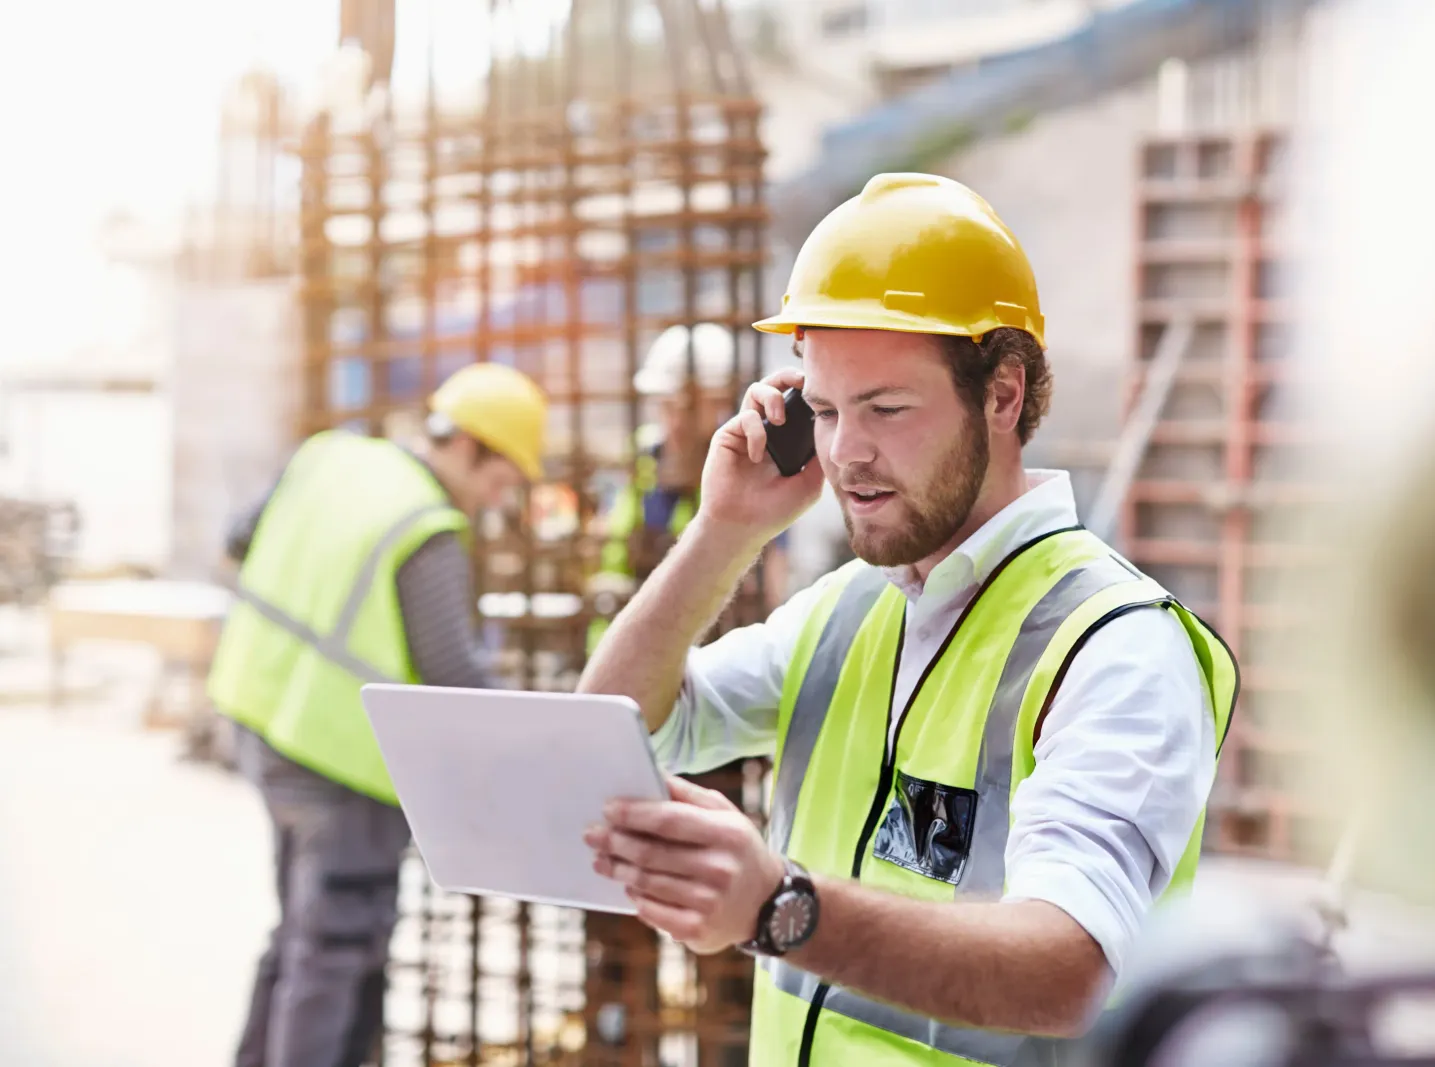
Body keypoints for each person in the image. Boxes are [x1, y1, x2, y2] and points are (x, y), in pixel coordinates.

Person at [579, 172, 1238, 1064]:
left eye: (885, 407)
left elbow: (1072, 966)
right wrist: (722, 531)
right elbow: (616, 730)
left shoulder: (1116, 645)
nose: (847, 451)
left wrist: (782, 908)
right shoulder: (849, 610)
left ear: (1003, 395)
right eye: (822, 410)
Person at [208, 361, 547, 1067]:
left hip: (259, 721)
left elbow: (238, 539)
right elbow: (453, 676)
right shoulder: (427, 528)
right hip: (342, 760)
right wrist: (544, 734)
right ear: (467, 445)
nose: (496, 498)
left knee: (299, 935)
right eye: (501, 477)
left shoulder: (328, 457)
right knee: (334, 950)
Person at [587, 322, 789, 653]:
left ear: (723, 400)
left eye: (689, 406)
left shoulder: (751, 469)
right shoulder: (643, 460)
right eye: (668, 406)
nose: (676, 421)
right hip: (628, 646)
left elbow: (772, 585)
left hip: (710, 654)